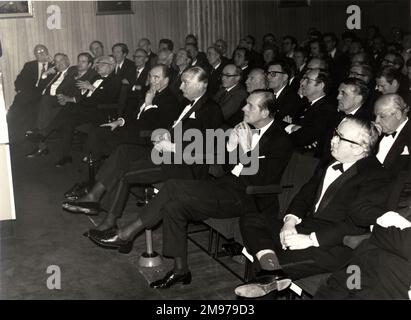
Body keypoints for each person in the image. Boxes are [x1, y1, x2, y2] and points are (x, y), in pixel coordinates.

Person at [88, 91, 293, 291]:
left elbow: (260, 179)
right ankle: (180, 270)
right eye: (245, 103)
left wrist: (247, 149)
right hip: (224, 187)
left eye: (250, 105)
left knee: (174, 186)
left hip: (247, 197)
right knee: (175, 206)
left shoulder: (280, 141)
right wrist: (231, 148)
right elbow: (223, 169)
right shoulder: (241, 128)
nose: (243, 108)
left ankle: (126, 234)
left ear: (265, 113)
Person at [234, 116, 389, 298]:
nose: (332, 140)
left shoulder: (376, 176)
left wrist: (310, 239)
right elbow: (305, 195)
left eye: (340, 137)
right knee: (251, 219)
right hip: (305, 226)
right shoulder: (330, 160)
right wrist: (289, 222)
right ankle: (271, 268)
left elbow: (355, 225)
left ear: (358, 148)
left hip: (333, 245)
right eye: (335, 134)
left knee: (264, 271)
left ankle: (270, 272)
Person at [63, 67, 223, 230]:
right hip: (164, 151)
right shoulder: (186, 103)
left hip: (184, 164)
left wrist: (172, 146)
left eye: (185, 83)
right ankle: (93, 197)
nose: (181, 87)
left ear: (202, 84)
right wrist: (165, 136)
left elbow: (207, 149)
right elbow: (171, 127)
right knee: (123, 151)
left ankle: (109, 221)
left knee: (124, 169)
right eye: (181, 82)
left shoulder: (211, 109)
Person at [315, 160, 411, 300]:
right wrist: (388, 220)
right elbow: (360, 209)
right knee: (332, 291)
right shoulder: (404, 177)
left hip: (393, 276)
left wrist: (385, 225)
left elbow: (405, 244)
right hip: (364, 260)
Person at [374, 94, 410, 178]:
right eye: (376, 116)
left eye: (382, 116)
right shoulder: (377, 132)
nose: (376, 121)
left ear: (398, 114)